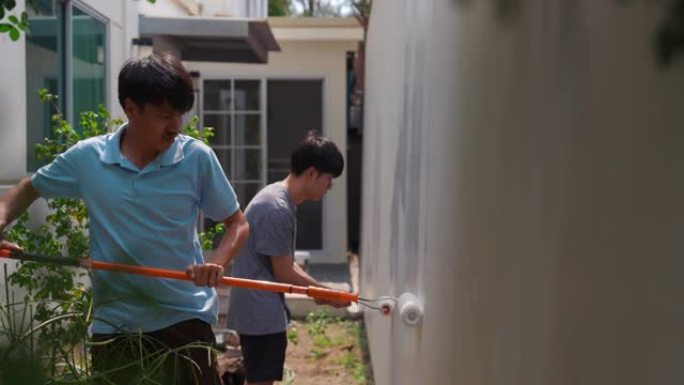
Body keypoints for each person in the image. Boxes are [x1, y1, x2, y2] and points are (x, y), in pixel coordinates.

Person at [0, 53, 249, 385]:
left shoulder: (196, 158)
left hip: (184, 321)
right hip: (115, 328)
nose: (175, 126)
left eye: (179, 115)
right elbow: (29, 188)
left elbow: (237, 223)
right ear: (131, 109)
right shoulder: (89, 159)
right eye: (164, 116)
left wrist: (216, 262)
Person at [228, 131, 351, 385]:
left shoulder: (278, 199)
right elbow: (283, 272)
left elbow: (283, 262)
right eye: (329, 180)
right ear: (312, 173)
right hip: (260, 314)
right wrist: (323, 293)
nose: (330, 188)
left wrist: (320, 290)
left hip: (257, 309)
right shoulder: (277, 208)